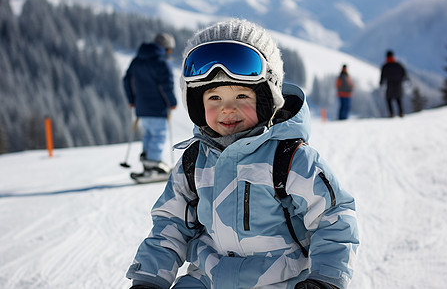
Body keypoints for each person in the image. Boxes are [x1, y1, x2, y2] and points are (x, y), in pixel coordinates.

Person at [126, 19, 359, 289]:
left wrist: (325, 280)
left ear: (266, 99)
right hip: (208, 278)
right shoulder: (193, 162)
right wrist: (148, 280)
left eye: (241, 97)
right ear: (197, 103)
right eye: (214, 98)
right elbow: (170, 225)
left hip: (281, 279)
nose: (227, 109)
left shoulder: (290, 158)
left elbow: (334, 218)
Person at [123, 33, 177, 180]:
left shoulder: (137, 61)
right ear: (165, 48)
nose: (169, 53)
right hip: (157, 107)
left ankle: (147, 164)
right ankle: (153, 165)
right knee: (158, 135)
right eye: (169, 50)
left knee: (148, 134)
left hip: (141, 107)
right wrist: (172, 102)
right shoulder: (161, 62)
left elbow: (127, 80)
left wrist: (131, 100)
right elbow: (166, 86)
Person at [379, 50, 408, 117]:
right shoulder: (398, 65)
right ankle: (401, 112)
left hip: (389, 86)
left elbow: (382, 77)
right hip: (398, 85)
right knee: (398, 99)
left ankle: (391, 114)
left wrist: (381, 84)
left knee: (389, 99)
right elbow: (404, 75)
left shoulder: (385, 66)